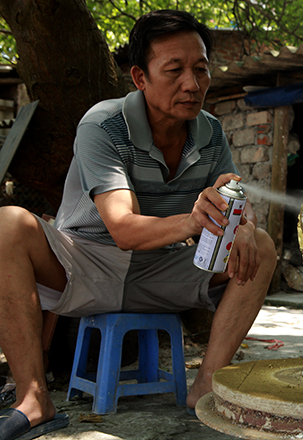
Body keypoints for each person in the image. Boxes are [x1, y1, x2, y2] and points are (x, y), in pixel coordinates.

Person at [0, 9, 276, 439]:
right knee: (7, 223)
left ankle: (206, 388)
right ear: (140, 77)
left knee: (262, 244)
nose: (192, 84)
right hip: (82, 265)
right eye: (175, 70)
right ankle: (34, 398)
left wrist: (242, 224)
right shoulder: (103, 125)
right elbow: (123, 229)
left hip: (160, 272)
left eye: (201, 69)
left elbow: (233, 195)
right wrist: (193, 220)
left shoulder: (210, 132)